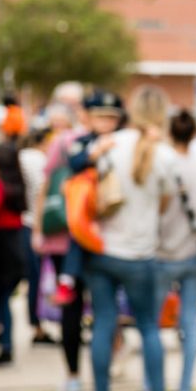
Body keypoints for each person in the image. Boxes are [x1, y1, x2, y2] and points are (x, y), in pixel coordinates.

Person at [82, 85, 175, 391]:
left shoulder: (108, 144)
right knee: (149, 326)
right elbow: (165, 204)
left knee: (104, 323)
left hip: (103, 249)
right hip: (141, 253)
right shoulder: (164, 154)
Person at [155, 109, 196, 391]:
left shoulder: (161, 165)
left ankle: (153, 384)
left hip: (162, 252)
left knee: (151, 323)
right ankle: (184, 388)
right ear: (194, 133)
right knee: (189, 321)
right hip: (193, 252)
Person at [32, 98, 87, 391]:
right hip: (89, 234)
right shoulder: (94, 142)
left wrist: (39, 227)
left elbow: (46, 186)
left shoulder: (61, 144)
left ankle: (73, 374)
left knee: (71, 306)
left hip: (62, 238)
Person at [53, 90, 124, 305]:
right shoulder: (84, 141)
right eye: (101, 117)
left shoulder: (123, 141)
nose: (106, 122)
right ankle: (67, 281)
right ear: (90, 118)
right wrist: (95, 152)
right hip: (88, 209)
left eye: (111, 117)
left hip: (115, 210)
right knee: (78, 238)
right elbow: (74, 163)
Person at [0, 143, 27, 366]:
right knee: (4, 299)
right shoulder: (18, 185)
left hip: (0, 250)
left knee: (2, 298)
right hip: (15, 246)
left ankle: (4, 343)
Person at [18, 127, 57, 345]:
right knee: (37, 278)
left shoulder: (21, 155)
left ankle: (37, 325)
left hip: (22, 221)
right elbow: (42, 191)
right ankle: (38, 326)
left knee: (33, 278)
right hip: (34, 223)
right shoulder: (39, 160)